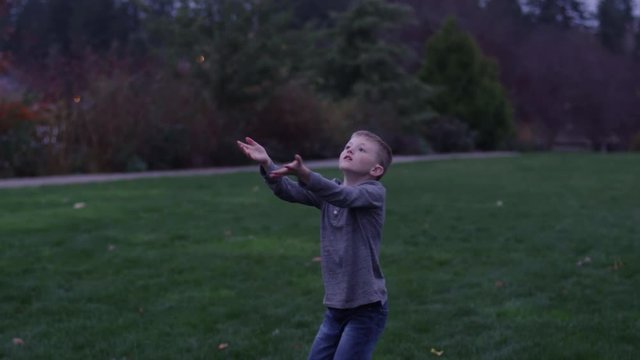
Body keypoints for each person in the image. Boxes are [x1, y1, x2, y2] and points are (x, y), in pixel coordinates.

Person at [236, 130, 392, 360]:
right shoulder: (329, 193)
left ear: (376, 170)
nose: (350, 149)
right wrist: (268, 163)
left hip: (366, 309)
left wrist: (307, 175)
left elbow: (343, 196)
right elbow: (288, 190)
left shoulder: (373, 194)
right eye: (348, 145)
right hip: (336, 309)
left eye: (361, 149)